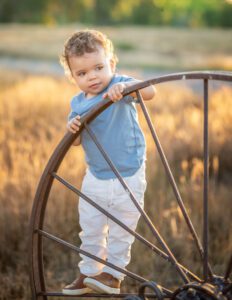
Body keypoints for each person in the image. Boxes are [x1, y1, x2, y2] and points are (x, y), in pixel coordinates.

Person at [60, 29, 156, 296]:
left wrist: (126, 87)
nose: (92, 77)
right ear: (73, 77)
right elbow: (76, 142)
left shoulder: (121, 85)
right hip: (96, 176)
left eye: (99, 67)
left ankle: (113, 276)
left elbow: (151, 92)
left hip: (129, 173)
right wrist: (73, 128)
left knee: (121, 229)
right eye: (82, 73)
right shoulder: (78, 103)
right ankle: (89, 274)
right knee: (90, 228)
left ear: (112, 64)